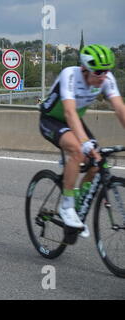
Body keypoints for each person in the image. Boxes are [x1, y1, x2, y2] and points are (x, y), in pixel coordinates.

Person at [39, 44, 125, 238]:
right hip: (52, 120)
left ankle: (78, 208)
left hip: (75, 122)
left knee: (97, 163)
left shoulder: (106, 79)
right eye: (98, 72)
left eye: (107, 71)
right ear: (85, 69)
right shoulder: (70, 75)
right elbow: (69, 112)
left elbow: (120, 108)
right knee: (79, 150)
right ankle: (67, 205)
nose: (103, 76)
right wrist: (85, 143)